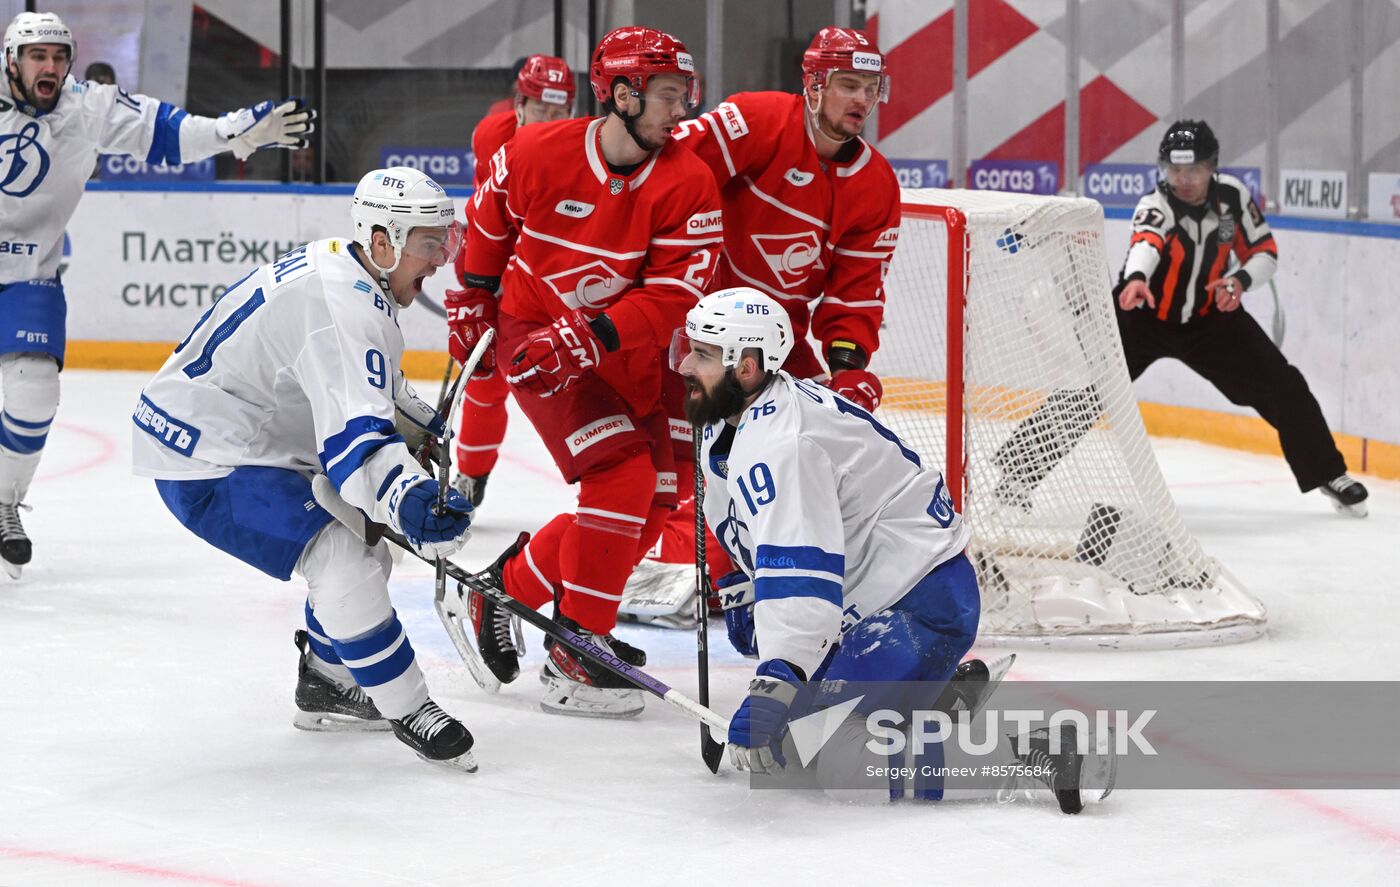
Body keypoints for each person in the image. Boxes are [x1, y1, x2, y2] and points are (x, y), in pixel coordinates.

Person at [676, 288, 1110, 812]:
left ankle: (1037, 754)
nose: (683, 363)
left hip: (918, 601)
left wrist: (778, 674)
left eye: (701, 353)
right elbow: (732, 513)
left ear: (746, 368)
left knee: (842, 764)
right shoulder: (730, 416)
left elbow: (801, 564)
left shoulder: (781, 444)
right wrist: (739, 588)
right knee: (789, 749)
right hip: (872, 598)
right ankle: (941, 700)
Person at [132, 167, 479, 771]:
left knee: (364, 543)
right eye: (429, 244)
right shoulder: (343, 303)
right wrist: (411, 499)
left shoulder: (348, 274)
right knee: (343, 554)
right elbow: (357, 440)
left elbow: (368, 389)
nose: (439, 260)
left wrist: (420, 429)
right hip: (207, 459)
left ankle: (328, 681)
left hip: (241, 438)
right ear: (382, 241)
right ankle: (408, 705)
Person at [450, 26, 722, 717]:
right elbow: (488, 225)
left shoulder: (688, 181)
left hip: (625, 353)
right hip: (536, 337)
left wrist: (593, 333)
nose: (679, 110)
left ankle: (502, 587)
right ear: (621, 93)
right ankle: (578, 647)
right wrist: (473, 300)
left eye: (683, 95)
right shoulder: (537, 152)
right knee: (621, 476)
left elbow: (673, 295)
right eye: (666, 94)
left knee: (656, 499)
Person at [0, 11, 316, 578]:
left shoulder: (88, 106)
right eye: (36, 56)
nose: (48, 67)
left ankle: (2, 503)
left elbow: (168, 132)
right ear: (11, 61)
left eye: (57, 56)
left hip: (29, 275)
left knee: (34, 391)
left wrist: (236, 131)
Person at [620, 26, 902, 622]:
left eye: (870, 88)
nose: (860, 99)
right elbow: (667, 171)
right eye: (848, 84)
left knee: (827, 442)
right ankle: (659, 565)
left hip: (777, 339)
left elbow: (856, 288)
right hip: (695, 318)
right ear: (815, 84)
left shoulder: (875, 184)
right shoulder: (758, 121)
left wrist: (847, 367)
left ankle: (798, 567)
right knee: (677, 459)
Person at [995, 119, 1369, 517]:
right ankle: (1015, 478)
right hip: (1141, 315)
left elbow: (1265, 252)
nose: (1183, 179)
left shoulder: (1234, 199)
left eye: (1192, 169)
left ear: (1212, 167)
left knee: (1284, 385)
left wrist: (1240, 280)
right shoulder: (1155, 205)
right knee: (1086, 391)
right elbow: (1146, 243)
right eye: (1174, 169)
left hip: (1211, 319)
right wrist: (1136, 279)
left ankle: (1329, 473)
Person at [445, 54, 576, 508]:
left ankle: (612, 487)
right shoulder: (492, 135)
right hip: (504, 274)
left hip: (556, 280)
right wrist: (477, 277)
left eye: (561, 113)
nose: (552, 121)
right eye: (543, 109)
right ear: (519, 104)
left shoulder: (582, 149)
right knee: (484, 382)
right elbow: (485, 213)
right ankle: (471, 475)